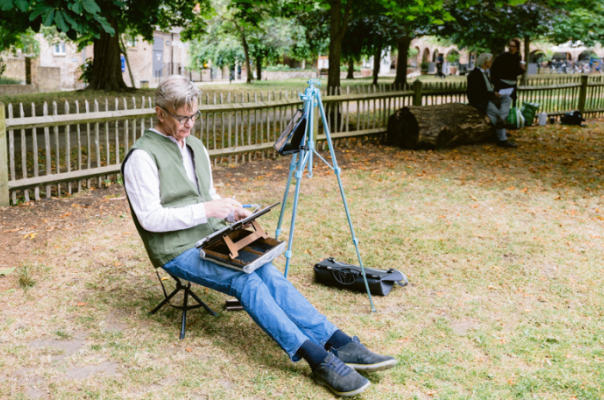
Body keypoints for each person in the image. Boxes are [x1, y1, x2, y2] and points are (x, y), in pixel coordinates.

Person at [121, 75, 397, 396]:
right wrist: (208, 209)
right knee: (245, 281)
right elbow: (150, 219)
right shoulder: (141, 156)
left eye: (194, 115)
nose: (190, 124)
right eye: (182, 118)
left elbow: (207, 195)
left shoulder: (195, 146)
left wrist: (230, 212)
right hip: (175, 248)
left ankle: (338, 341)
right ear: (160, 113)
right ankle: (317, 358)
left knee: (266, 270)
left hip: (210, 237)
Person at [467, 53, 517, 148]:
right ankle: (502, 139)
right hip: (481, 100)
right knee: (495, 113)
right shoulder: (474, 74)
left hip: (489, 97)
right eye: (490, 61)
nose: (492, 63)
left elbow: (487, 88)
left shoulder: (485, 73)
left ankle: (501, 119)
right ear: (485, 62)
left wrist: (495, 94)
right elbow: (476, 93)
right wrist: (492, 94)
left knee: (507, 98)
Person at [490, 38, 526, 107]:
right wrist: (496, 83)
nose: (511, 48)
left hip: (513, 84)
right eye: (510, 46)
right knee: (500, 103)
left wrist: (523, 70)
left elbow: (515, 72)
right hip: (502, 84)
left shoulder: (517, 56)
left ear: (517, 47)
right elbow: (493, 70)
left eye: (513, 46)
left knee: (513, 103)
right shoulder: (502, 57)